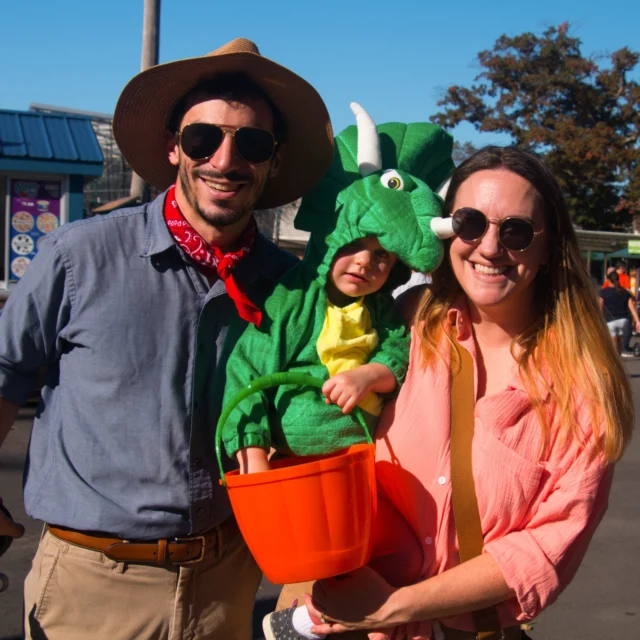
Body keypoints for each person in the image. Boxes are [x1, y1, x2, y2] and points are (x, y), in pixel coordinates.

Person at [0, 37, 334, 640]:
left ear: (274, 162)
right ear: (174, 147)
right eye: (204, 138)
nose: (225, 160)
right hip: (92, 588)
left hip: (229, 587)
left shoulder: (293, 290)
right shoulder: (81, 256)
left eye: (252, 143)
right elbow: (6, 372)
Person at [294, 146, 633, 640]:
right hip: (337, 609)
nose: (490, 247)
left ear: (547, 246)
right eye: (470, 223)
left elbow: (546, 546)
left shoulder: (583, 383)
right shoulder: (405, 322)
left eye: (515, 230)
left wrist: (393, 608)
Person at [218, 106, 454, 640]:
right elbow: (248, 371)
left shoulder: (382, 314)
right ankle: (302, 621)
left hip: (358, 468)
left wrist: (369, 374)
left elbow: (398, 351)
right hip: (295, 470)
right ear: (335, 234)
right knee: (317, 568)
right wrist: (253, 463)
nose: (367, 265)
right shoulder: (294, 300)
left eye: (384, 260)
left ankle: (317, 620)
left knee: (372, 570)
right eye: (358, 246)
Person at [599, 271, 640, 356]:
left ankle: (615, 359)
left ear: (609, 281)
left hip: (610, 321)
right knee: (619, 341)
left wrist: (598, 319)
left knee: (612, 344)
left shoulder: (603, 292)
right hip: (623, 321)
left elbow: (600, 307)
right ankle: (619, 356)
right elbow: (632, 307)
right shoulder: (625, 292)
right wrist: (638, 321)